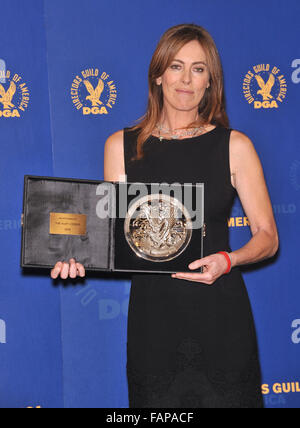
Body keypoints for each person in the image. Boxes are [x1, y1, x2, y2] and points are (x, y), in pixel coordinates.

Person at [51, 24, 278, 408]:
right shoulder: (120, 146)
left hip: (221, 318)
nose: (186, 79)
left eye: (199, 69)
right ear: (158, 75)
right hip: (154, 324)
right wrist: (75, 255)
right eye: (176, 66)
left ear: (211, 82)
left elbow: (267, 236)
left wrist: (230, 259)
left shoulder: (235, 146)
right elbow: (111, 239)